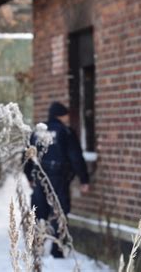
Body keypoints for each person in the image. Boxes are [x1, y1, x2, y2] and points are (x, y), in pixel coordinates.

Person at [24, 101, 90, 258]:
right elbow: (75, 157)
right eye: (66, 115)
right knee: (59, 211)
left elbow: (26, 154)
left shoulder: (37, 131)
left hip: (39, 177)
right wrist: (84, 179)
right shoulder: (65, 132)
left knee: (39, 212)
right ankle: (57, 249)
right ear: (61, 115)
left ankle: (36, 247)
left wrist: (28, 176)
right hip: (58, 178)